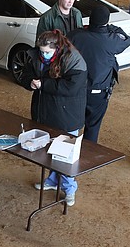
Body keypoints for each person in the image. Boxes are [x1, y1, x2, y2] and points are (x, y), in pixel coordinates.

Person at [21, 31, 87, 205]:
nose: (43, 54)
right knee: (48, 148)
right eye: (41, 51)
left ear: (56, 48)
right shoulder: (35, 55)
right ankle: (52, 180)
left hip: (66, 114)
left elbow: (71, 87)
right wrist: (30, 83)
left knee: (65, 155)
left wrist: (44, 84)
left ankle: (69, 188)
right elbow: (26, 72)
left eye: (47, 52)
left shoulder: (74, 60)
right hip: (44, 110)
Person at [68, 6, 130, 143]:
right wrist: (110, 28)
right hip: (98, 91)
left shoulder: (75, 35)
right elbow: (127, 39)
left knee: (71, 125)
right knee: (93, 126)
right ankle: (87, 157)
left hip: (75, 88)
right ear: (106, 22)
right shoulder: (110, 40)